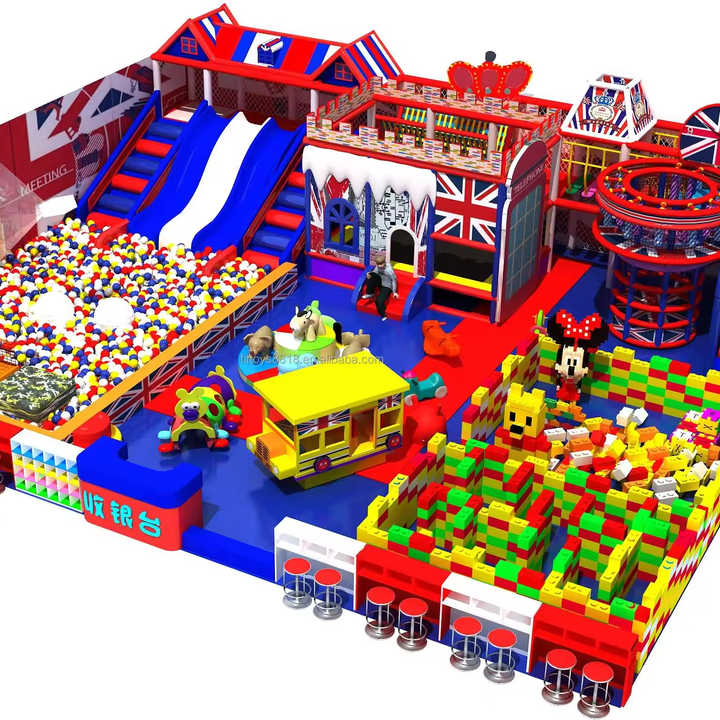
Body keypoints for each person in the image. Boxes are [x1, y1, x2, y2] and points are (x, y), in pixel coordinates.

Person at [361, 251, 398, 321]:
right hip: (380, 282)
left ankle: (383, 315)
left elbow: (394, 280)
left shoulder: (389, 270)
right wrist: (369, 274)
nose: (379, 266)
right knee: (371, 275)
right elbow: (374, 273)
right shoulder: (377, 267)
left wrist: (394, 292)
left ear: (384, 263)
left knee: (378, 301)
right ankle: (370, 293)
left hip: (387, 286)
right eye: (378, 264)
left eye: (381, 264)